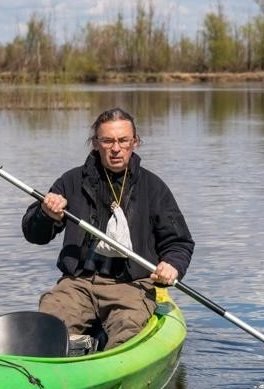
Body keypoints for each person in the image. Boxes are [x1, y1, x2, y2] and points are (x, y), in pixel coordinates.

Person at [22, 107, 194, 350]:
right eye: (107, 140)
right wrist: (46, 214)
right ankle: (64, 358)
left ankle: (111, 369)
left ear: (135, 142)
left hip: (131, 286)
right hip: (77, 284)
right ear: (95, 143)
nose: (115, 148)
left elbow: (179, 243)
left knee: (128, 330)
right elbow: (33, 234)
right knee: (49, 326)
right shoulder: (71, 181)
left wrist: (172, 265)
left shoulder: (153, 188)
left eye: (123, 140)